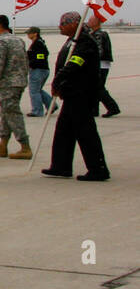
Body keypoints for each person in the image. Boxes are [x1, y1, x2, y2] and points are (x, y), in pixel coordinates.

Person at [43, 12, 110, 181]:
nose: (60, 26)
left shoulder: (85, 42)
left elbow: (75, 63)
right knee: (64, 131)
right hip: (71, 94)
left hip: (82, 94)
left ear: (73, 24)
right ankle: (61, 166)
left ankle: (98, 169)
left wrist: (58, 80)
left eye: (63, 23)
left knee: (86, 132)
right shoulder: (73, 41)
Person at [0, 15, 31, 160]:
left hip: (8, 83)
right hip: (19, 81)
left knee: (12, 114)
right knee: (6, 113)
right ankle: (3, 144)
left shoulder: (0, 43)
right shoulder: (17, 40)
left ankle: (25, 146)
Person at [88, 15, 121, 118]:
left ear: (96, 22)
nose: (88, 22)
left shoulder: (99, 35)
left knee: (98, 87)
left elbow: (99, 51)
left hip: (100, 65)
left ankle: (113, 108)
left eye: (90, 20)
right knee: (94, 88)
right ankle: (94, 110)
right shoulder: (93, 33)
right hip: (100, 64)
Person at [25, 26, 52, 117]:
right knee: (38, 90)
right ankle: (51, 105)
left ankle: (37, 111)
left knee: (34, 91)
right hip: (41, 69)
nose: (28, 35)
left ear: (35, 33)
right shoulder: (37, 43)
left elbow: (41, 57)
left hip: (38, 70)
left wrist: (31, 64)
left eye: (29, 33)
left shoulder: (38, 44)